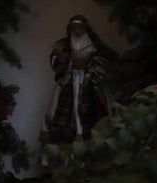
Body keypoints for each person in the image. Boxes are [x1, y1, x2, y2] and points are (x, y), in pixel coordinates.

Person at [44, 14, 117, 144]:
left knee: (92, 113)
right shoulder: (64, 44)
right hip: (69, 83)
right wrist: (63, 61)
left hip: (89, 84)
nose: (77, 30)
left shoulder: (92, 43)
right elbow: (57, 61)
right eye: (75, 27)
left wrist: (93, 72)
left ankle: (87, 137)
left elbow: (102, 58)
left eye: (80, 27)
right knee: (62, 111)